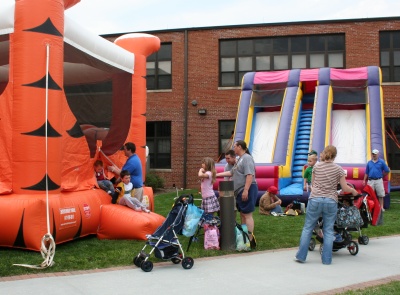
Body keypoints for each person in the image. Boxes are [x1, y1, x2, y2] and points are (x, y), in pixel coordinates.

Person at [295, 145, 359, 265]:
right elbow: (344, 187)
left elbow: (313, 183)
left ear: (324, 153)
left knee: (308, 228)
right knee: (329, 230)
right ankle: (326, 259)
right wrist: (353, 191)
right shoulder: (339, 169)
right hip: (330, 200)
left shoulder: (316, 166)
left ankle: (301, 256)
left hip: (315, 199)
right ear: (334, 156)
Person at [216, 140, 258, 249]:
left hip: (247, 189)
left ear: (240, 147)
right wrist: (216, 174)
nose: (234, 148)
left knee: (247, 214)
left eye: (235, 146)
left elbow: (249, 175)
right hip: (239, 191)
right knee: (243, 214)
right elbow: (231, 173)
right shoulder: (239, 160)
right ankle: (243, 238)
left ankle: (249, 239)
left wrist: (246, 190)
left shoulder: (247, 158)